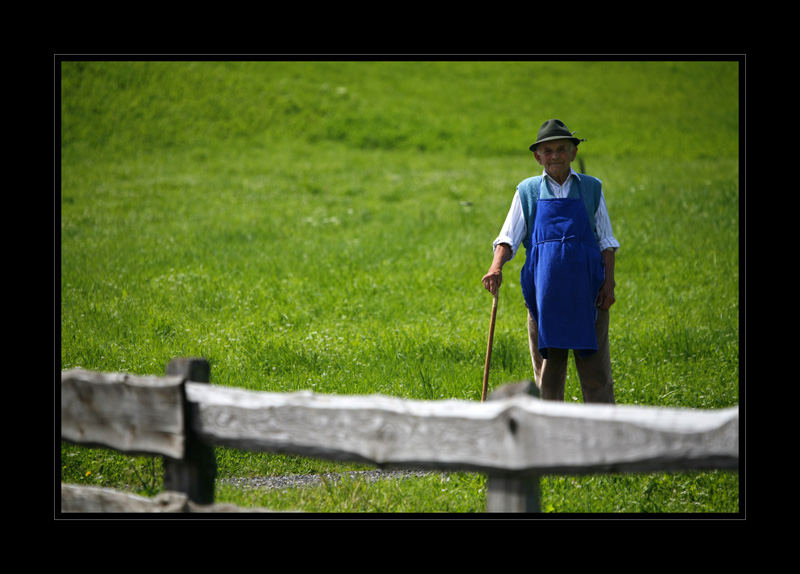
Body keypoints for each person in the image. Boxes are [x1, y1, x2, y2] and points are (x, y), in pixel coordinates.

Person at [482, 119, 619, 404]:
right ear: (538, 156)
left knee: (596, 374)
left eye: (561, 149)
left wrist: (608, 284)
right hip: (545, 298)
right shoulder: (528, 191)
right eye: (548, 151)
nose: (554, 155)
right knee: (549, 375)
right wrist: (496, 267)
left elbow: (606, 242)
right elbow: (508, 237)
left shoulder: (591, 189)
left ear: (572, 152)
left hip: (588, 295)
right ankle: (546, 437)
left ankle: (603, 435)